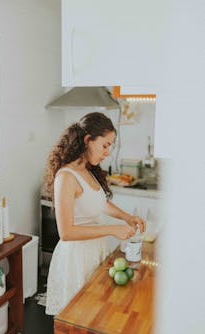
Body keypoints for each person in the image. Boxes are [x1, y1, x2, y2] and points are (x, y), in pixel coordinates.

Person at [44, 112, 145, 315]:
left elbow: (99, 203)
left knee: (94, 314)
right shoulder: (66, 177)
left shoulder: (87, 170)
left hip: (92, 252)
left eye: (111, 146)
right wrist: (112, 229)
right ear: (87, 140)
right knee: (77, 318)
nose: (108, 152)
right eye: (105, 145)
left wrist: (127, 217)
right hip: (75, 259)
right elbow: (66, 233)